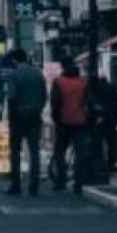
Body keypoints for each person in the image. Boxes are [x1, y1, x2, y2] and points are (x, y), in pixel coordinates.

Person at [2, 48, 47, 196]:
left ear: (15, 60)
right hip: (35, 115)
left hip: (18, 116)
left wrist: (11, 116)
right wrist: (38, 108)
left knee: (15, 151)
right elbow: (44, 95)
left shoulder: (14, 75)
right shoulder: (38, 73)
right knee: (34, 150)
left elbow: (12, 97)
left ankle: (16, 185)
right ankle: (34, 186)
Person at [48, 58, 91, 193]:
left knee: (59, 152)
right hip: (80, 122)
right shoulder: (84, 82)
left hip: (63, 122)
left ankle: (61, 180)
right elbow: (87, 101)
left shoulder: (59, 82)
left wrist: (56, 119)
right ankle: (78, 183)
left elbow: (55, 103)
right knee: (80, 153)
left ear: (63, 68)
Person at [89, 73, 117, 178]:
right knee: (111, 144)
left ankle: (99, 165)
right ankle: (111, 166)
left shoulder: (95, 89)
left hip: (99, 120)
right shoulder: (113, 88)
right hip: (111, 120)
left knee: (98, 143)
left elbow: (93, 104)